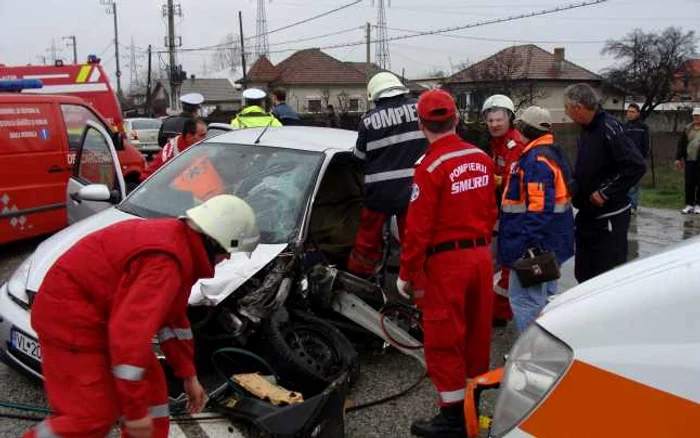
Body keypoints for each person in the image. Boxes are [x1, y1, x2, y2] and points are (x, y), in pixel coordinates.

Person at [23, 194, 260, 438]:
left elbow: (173, 321)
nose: (229, 258)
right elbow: (128, 338)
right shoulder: (166, 260)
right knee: (90, 418)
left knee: (151, 392)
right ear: (213, 241)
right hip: (70, 321)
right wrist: (134, 413)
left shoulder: (180, 249)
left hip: (98, 316)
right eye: (229, 249)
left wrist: (188, 375)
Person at [397, 89, 497, 437]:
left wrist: (407, 272)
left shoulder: (429, 165)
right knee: (477, 333)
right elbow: (489, 211)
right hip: (481, 256)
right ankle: (473, 403)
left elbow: (417, 228)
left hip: (448, 263)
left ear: (421, 124)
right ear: (456, 118)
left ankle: (453, 419)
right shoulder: (482, 157)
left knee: (443, 338)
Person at [498, 106, 574, 333]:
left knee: (525, 301)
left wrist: (528, 246)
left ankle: (531, 354)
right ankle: (545, 350)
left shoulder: (536, 159)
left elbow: (539, 207)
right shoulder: (553, 153)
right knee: (545, 298)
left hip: (534, 245)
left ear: (525, 128)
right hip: (553, 242)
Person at [347, 72, 427, 276]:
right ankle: (415, 281)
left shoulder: (368, 121)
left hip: (378, 193)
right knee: (412, 240)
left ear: (375, 95)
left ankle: (359, 278)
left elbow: (358, 157)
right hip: (412, 191)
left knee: (367, 240)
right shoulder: (420, 109)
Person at [564, 83, 646, 283]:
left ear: (579, 107)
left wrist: (605, 192)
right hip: (587, 216)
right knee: (583, 275)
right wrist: (573, 186)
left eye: (567, 107)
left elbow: (635, 166)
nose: (566, 113)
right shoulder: (586, 130)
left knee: (603, 279)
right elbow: (589, 169)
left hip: (608, 217)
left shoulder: (610, 127)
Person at [482, 94, 526, 326]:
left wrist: (492, 180)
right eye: (490, 121)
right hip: (502, 211)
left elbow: (512, 180)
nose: (494, 124)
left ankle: (500, 313)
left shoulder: (514, 144)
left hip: (514, 213)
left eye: (498, 120)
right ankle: (497, 310)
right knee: (497, 261)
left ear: (509, 118)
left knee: (507, 263)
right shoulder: (497, 143)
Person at [141, 118, 207, 181]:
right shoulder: (172, 154)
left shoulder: (195, 146)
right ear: (189, 137)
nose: (206, 139)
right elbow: (148, 177)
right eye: (202, 135)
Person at [623, 103, 650, 212]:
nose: (630, 114)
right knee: (624, 184)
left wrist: (642, 159)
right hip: (625, 160)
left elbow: (646, 145)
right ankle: (625, 205)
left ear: (638, 113)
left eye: (632, 112)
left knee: (634, 184)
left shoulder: (643, 127)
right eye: (628, 112)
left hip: (637, 160)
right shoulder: (624, 127)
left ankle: (632, 206)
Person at [675, 107, 700, 214]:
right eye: (694, 116)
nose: (696, 117)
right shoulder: (687, 128)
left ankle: (698, 204)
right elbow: (681, 144)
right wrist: (678, 158)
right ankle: (689, 204)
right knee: (689, 183)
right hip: (689, 160)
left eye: (698, 116)